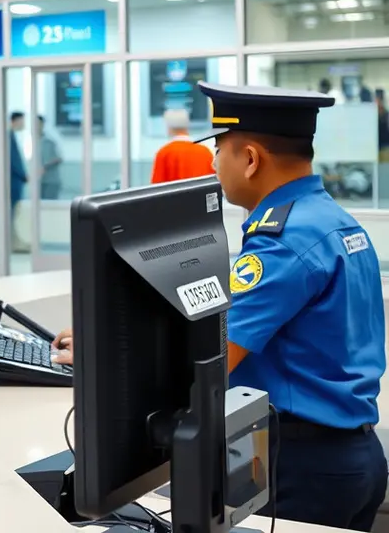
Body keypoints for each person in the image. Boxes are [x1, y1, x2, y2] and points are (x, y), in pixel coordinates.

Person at [56, 82, 387, 531]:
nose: (213, 164)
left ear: (250, 159)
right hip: (350, 456)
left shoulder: (283, 243)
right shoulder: (334, 221)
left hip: (303, 467)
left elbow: (214, 358)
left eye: (218, 149)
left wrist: (105, 359)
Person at [150, 107, 214, 184]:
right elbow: (214, 182)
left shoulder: (164, 153)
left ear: (168, 127)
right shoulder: (205, 151)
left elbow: (157, 187)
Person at [9, 112, 29, 252]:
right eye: (22, 121)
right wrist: (23, 175)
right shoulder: (8, 137)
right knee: (12, 213)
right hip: (13, 181)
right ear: (15, 121)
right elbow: (13, 161)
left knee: (15, 212)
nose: (24, 124)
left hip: (16, 181)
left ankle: (15, 241)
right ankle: (13, 243)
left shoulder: (12, 136)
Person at [36, 115, 62, 200]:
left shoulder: (50, 141)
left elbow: (59, 158)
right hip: (40, 181)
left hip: (51, 181)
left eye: (39, 124)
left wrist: (45, 167)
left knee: (49, 205)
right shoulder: (34, 141)